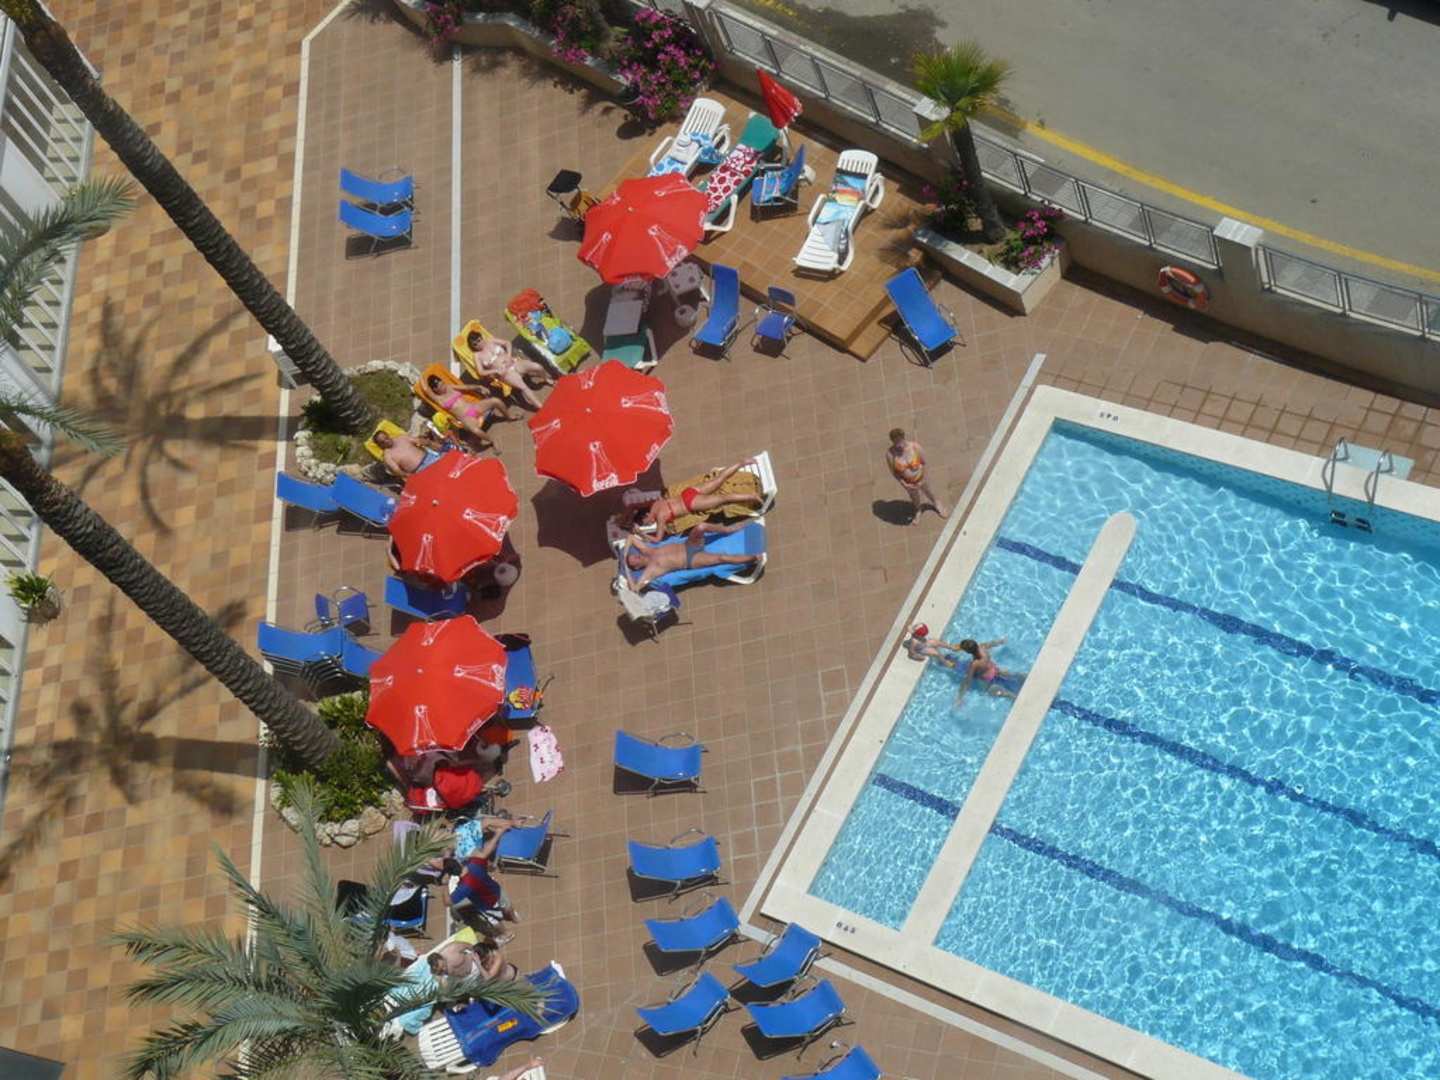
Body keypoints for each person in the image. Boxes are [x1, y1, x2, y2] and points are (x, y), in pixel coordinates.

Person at [621, 522, 760, 589]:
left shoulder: (647, 550)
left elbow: (630, 538)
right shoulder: (650, 571)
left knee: (701, 527)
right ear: (637, 567)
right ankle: (754, 557)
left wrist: (625, 554)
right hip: (691, 560)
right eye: (634, 560)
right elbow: (635, 588)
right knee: (721, 558)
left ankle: (727, 529)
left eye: (634, 555)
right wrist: (627, 571)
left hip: (689, 545)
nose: (636, 556)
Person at [643, 458, 764, 533]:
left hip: (692, 504)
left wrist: (643, 535)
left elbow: (658, 539)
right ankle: (742, 463)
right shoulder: (656, 503)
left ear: (647, 516)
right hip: (688, 493)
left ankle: (751, 496)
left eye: (646, 522)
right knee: (719, 479)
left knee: (724, 499)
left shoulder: (660, 517)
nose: (649, 523)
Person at [449, 818, 522, 941]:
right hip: (490, 886)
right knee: (504, 901)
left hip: (484, 899)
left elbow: (450, 900)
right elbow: (487, 821)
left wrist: (500, 832)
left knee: (492, 918)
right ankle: (513, 917)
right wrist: (509, 824)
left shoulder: (465, 879)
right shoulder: (466, 830)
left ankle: (506, 933)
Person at [468, 330, 552, 409]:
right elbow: (481, 372)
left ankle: (546, 379)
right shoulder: (477, 355)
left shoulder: (491, 341)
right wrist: (495, 371)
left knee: (538, 367)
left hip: (514, 363)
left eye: (479, 340)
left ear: (481, 337)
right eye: (475, 344)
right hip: (505, 373)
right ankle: (541, 407)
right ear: (473, 347)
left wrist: (508, 356)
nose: (478, 344)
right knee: (523, 387)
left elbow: (507, 343)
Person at [426, 373, 513, 448]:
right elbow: (427, 390)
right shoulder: (439, 399)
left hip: (473, 407)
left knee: (495, 401)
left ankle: (509, 417)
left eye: (443, 383)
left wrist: (479, 387)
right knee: (475, 430)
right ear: (435, 390)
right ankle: (492, 441)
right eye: (440, 386)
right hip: (466, 418)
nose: (443, 386)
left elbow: (466, 387)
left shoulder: (450, 387)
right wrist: (422, 377)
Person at [886, 427, 946, 522]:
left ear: (903, 438)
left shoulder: (915, 447)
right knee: (914, 498)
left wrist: (923, 479)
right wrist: (903, 483)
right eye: (896, 443)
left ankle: (937, 504)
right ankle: (918, 510)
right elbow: (894, 472)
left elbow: (924, 463)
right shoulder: (890, 454)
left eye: (900, 442)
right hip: (908, 483)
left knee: (929, 492)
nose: (899, 445)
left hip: (921, 478)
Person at [956, 637, 1024, 703]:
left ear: (968, 652)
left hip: (988, 680)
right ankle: (1024, 677)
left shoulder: (974, 664)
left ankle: (1013, 697)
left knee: (991, 691)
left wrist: (960, 698)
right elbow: (992, 643)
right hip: (996, 671)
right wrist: (1001, 641)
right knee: (1013, 675)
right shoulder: (983, 648)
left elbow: (968, 681)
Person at [374, 429, 446, 477]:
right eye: (382, 442)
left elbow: (422, 442)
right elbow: (397, 471)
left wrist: (440, 448)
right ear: (380, 445)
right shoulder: (387, 456)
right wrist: (412, 477)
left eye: (386, 438)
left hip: (430, 458)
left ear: (388, 435)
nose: (386, 441)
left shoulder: (402, 438)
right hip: (420, 470)